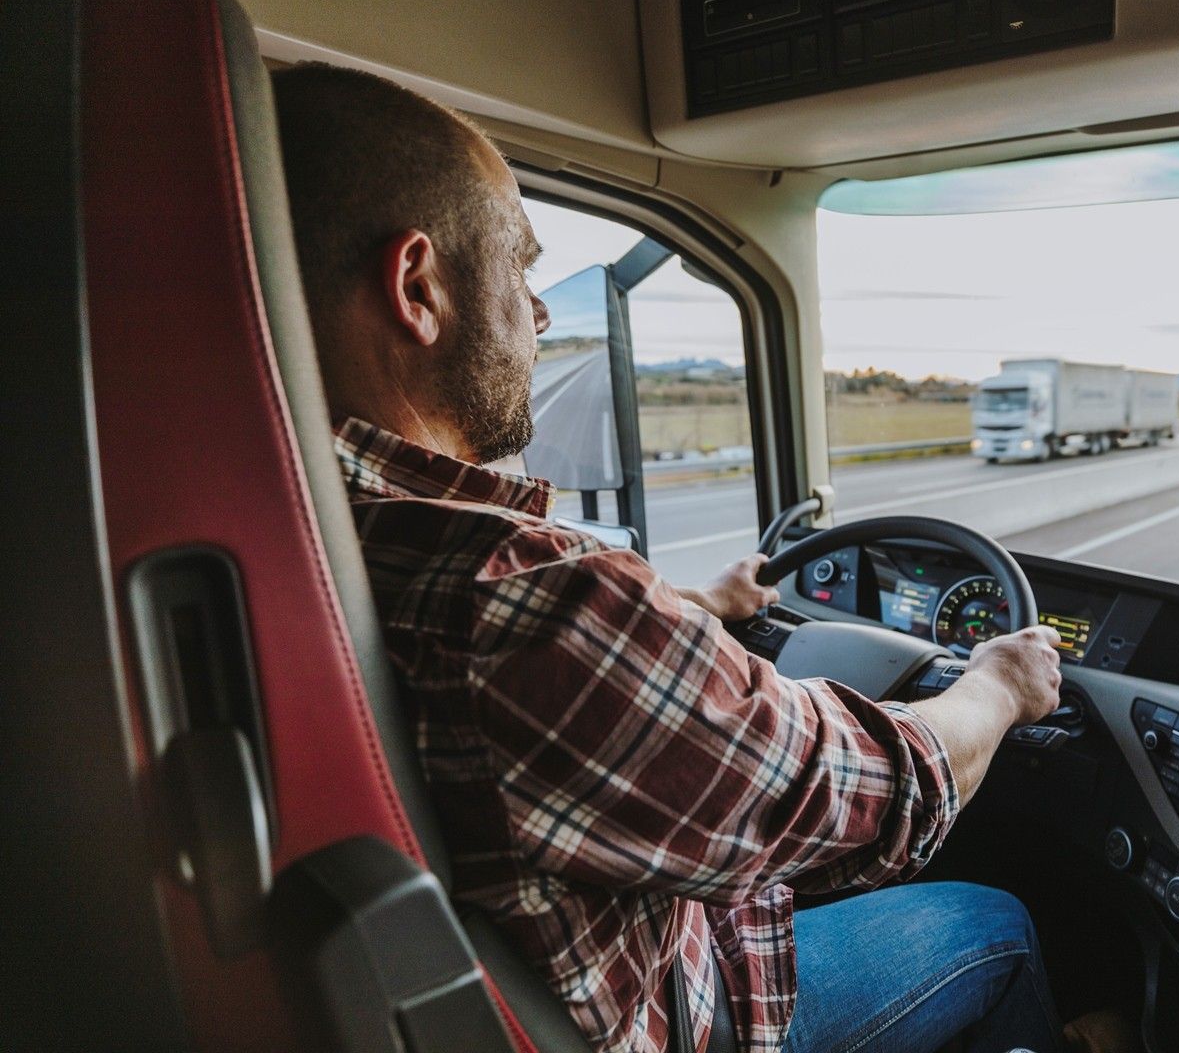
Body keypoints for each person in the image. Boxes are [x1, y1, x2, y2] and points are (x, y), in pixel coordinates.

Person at [272, 62, 1090, 1053]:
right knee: (994, 923)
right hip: (697, 1014)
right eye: (520, 273)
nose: (538, 317)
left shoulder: (311, 530)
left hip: (627, 947)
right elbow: (878, 790)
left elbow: (580, 693)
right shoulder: (520, 598)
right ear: (418, 288)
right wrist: (1000, 683)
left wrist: (695, 608)